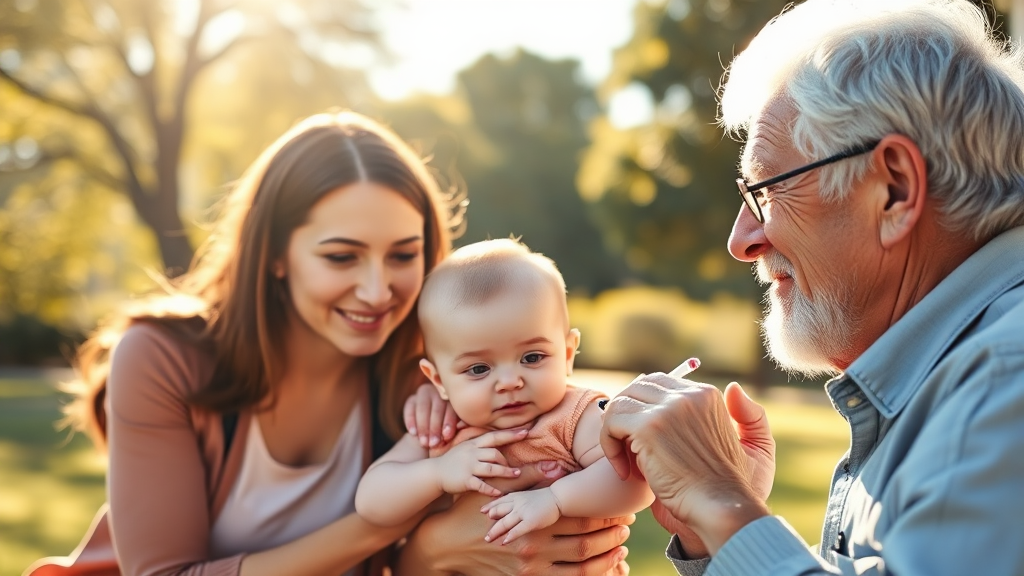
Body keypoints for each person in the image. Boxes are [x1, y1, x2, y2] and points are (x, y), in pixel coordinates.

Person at [35, 111, 631, 576]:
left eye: (403, 255)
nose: (377, 291)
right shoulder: (165, 357)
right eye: (341, 256)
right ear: (274, 255)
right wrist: (426, 535)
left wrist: (439, 552)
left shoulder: (437, 384)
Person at [599, 0, 1024, 574]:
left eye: (767, 191)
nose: (741, 240)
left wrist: (722, 503)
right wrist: (713, 533)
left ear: (894, 190)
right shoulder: (958, 380)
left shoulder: (1005, 377)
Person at [354, 239, 654, 545]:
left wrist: (555, 499)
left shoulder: (575, 417)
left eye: (532, 357)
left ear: (566, 354)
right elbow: (371, 503)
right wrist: (438, 472)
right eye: (479, 369)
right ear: (439, 380)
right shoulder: (444, 431)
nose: (510, 382)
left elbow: (634, 481)